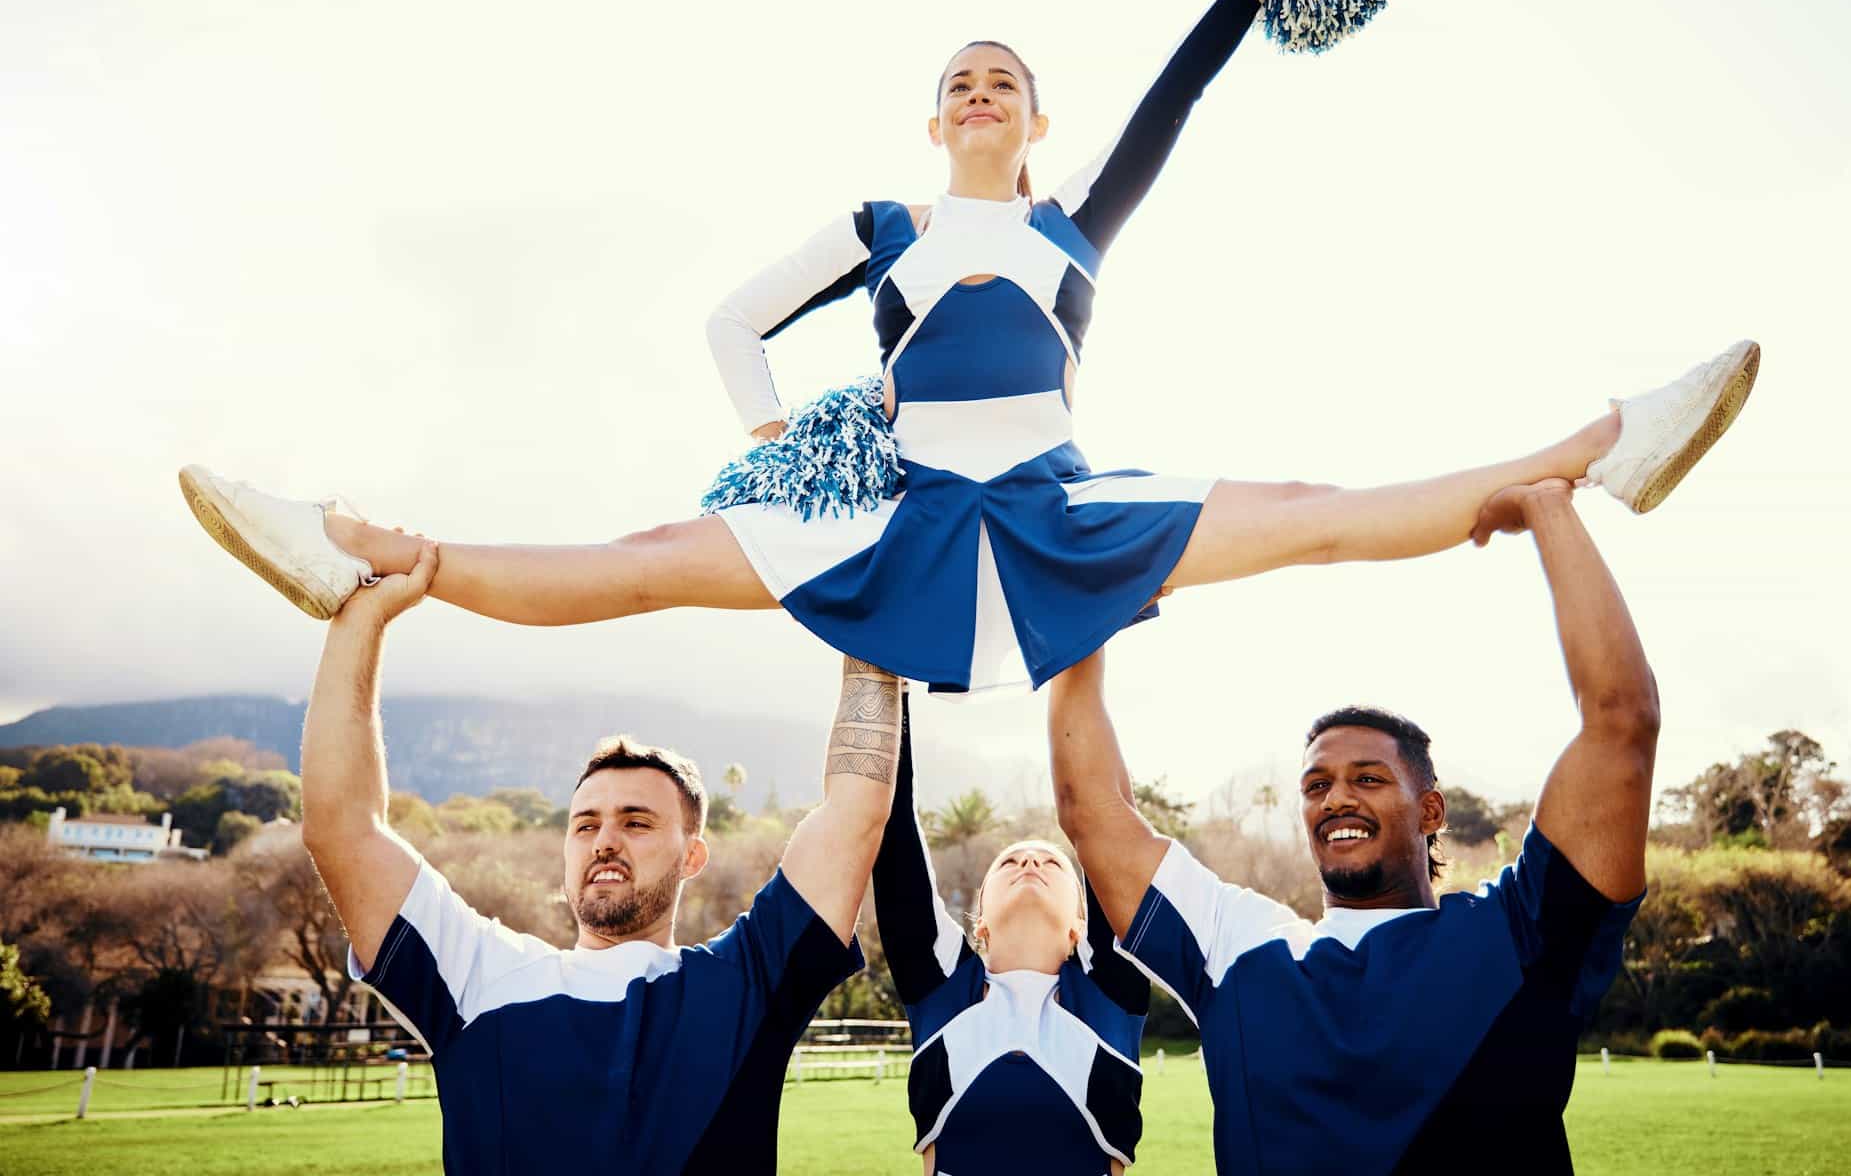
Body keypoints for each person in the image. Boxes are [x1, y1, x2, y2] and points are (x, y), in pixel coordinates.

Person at [178, 0, 1759, 697]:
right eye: (958, 78)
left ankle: (1600, 452)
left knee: (1305, 515)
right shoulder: (878, 229)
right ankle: (365, 549)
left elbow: (1175, 106)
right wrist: (785, 447)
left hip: (1061, 499)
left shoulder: (1074, 225)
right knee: (651, 552)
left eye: (1003, 76)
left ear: (1034, 115)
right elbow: (731, 320)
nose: (980, 90)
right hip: (894, 499)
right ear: (932, 117)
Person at [1050, 477, 1662, 1174]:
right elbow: (1093, 814)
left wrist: (1545, 504)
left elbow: (1621, 721)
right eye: (1316, 785)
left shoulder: (1519, 934)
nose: (1336, 797)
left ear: (1431, 810)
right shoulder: (1237, 947)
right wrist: (1084, 607)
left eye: (1368, 778)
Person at [301, 540, 900, 1174]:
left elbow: (853, 816)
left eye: (636, 822)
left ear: (693, 854)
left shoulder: (747, 981)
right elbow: (342, 830)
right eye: (585, 824)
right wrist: (361, 618)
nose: (604, 840)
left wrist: (881, 609)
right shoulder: (476, 974)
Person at [871, 710, 1150, 1175]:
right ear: (979, 924)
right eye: (1009, 862)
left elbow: (1109, 818)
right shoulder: (944, 992)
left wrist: (1073, 667)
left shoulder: (1109, 997)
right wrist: (890, 677)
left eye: (1052, 863)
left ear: (1079, 926)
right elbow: (893, 826)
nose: (1029, 862)